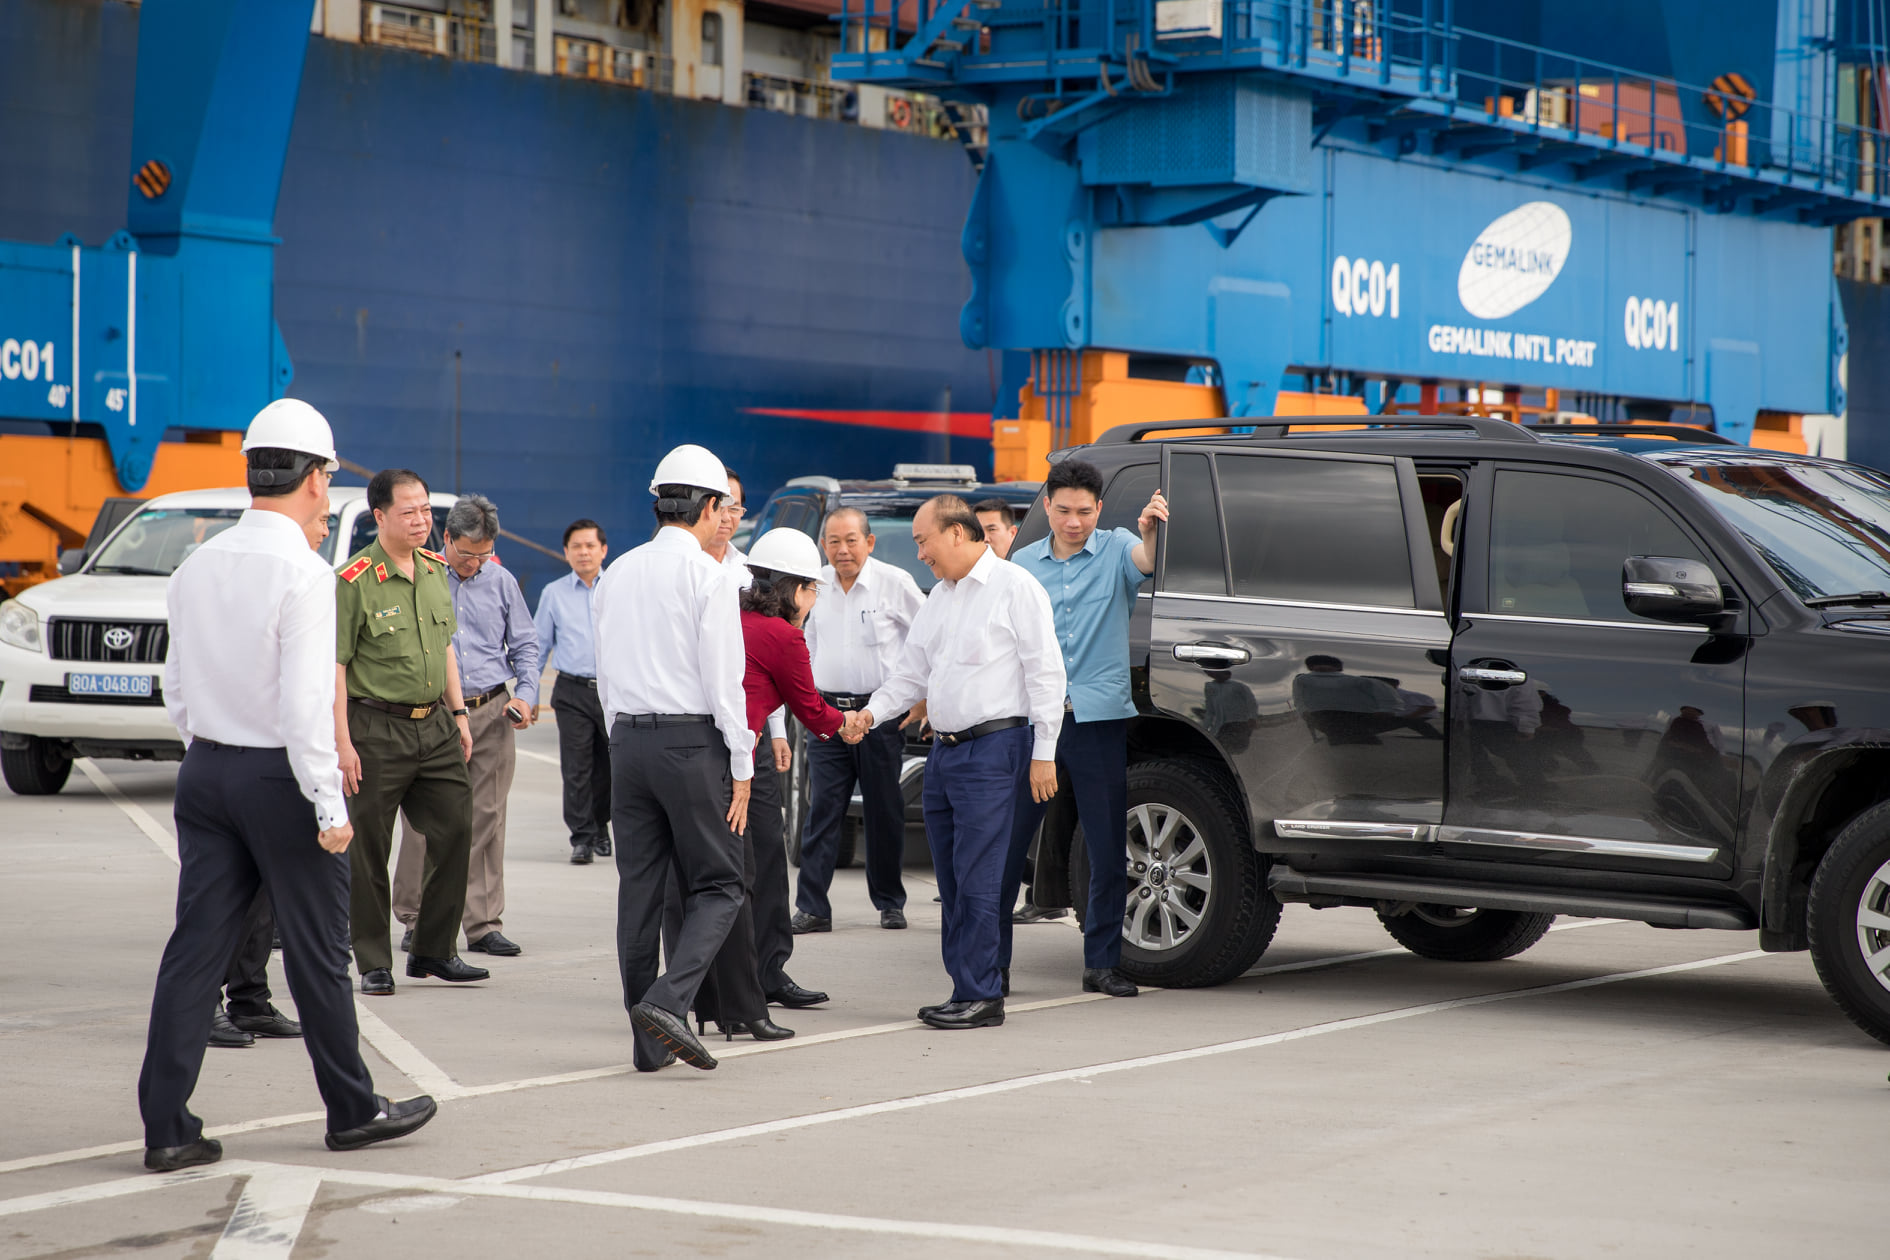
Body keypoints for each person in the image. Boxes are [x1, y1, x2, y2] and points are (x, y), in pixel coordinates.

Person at [140, 399, 435, 1174]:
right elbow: (306, 705)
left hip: (206, 767)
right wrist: (329, 805)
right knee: (315, 950)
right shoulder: (305, 574)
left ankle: (166, 1125)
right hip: (280, 775)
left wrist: (207, 750)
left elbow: (174, 686)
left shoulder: (198, 563)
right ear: (315, 478)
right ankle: (351, 1109)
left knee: (195, 949)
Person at [847, 495, 1064, 1030]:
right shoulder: (940, 599)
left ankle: (983, 993)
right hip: (945, 752)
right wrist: (870, 715)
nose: (919, 553)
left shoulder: (1016, 589)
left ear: (960, 534)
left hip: (996, 750)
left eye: (923, 540)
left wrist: (1044, 754)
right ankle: (963, 986)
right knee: (951, 877)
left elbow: (1046, 674)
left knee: (980, 875)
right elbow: (909, 674)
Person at [594, 443, 751, 1072]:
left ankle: (646, 1045)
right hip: (691, 742)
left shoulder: (616, 573)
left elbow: (605, 677)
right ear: (709, 507)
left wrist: (621, 741)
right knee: (721, 883)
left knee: (639, 892)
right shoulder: (709, 577)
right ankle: (669, 1002)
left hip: (627, 740)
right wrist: (741, 764)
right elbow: (724, 682)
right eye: (724, 507)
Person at [1002, 459, 1165, 1000]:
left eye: (1086, 512)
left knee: (1104, 845)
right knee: (1006, 846)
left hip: (1097, 722)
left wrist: (1149, 534)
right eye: (1065, 510)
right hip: (1031, 724)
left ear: (1099, 509)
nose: (1075, 522)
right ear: (1047, 506)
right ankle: (990, 965)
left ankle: (1102, 963)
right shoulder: (1021, 566)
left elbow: (1146, 559)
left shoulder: (1119, 548)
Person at [334, 469, 487, 996]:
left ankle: (434, 949)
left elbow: (444, 646)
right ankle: (374, 959)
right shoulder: (353, 581)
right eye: (409, 511)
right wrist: (343, 742)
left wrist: (460, 714)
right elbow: (336, 666)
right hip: (375, 728)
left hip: (436, 725)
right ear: (379, 517)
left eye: (426, 510)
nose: (422, 519)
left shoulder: (434, 569)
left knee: (456, 829)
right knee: (370, 847)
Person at [695, 528, 847, 1040]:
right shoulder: (784, 635)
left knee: (759, 859)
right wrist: (848, 724)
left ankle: (763, 976)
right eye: (814, 590)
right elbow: (811, 707)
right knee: (739, 875)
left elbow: (762, 690)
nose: (814, 601)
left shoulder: (729, 617)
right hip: (735, 758)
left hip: (731, 749)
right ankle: (738, 996)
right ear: (796, 588)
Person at [207, 504, 336, 1051]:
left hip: (253, 762)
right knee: (218, 902)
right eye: (322, 519)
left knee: (259, 896)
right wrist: (327, 796)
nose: (325, 530)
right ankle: (205, 1004)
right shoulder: (293, 577)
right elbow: (300, 699)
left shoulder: (301, 575)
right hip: (253, 761)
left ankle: (250, 999)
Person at [390, 495, 540, 958]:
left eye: (484, 555)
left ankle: (482, 923)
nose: (474, 564)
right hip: (432, 714)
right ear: (447, 538)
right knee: (423, 821)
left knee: (487, 820)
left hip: (493, 712)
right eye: (466, 554)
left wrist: (525, 696)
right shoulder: (422, 575)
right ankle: (418, 918)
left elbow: (527, 647)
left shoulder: (502, 581)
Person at [794, 507, 923, 934]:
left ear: (868, 542)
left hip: (881, 714)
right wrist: (811, 700)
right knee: (823, 809)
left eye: (851, 540)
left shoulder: (894, 583)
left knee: (883, 809)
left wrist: (922, 697)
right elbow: (808, 643)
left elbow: (926, 638)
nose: (842, 549)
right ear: (823, 545)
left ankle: (889, 902)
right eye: (833, 541)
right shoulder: (817, 586)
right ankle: (812, 907)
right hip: (828, 713)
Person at [534, 519, 612, 864]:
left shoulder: (619, 586)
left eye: (590, 546)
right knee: (577, 768)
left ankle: (600, 824)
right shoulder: (554, 593)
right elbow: (537, 645)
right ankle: (581, 837)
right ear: (566, 553)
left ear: (603, 550)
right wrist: (529, 691)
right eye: (576, 547)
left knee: (611, 767)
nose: (583, 552)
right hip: (572, 691)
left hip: (614, 692)